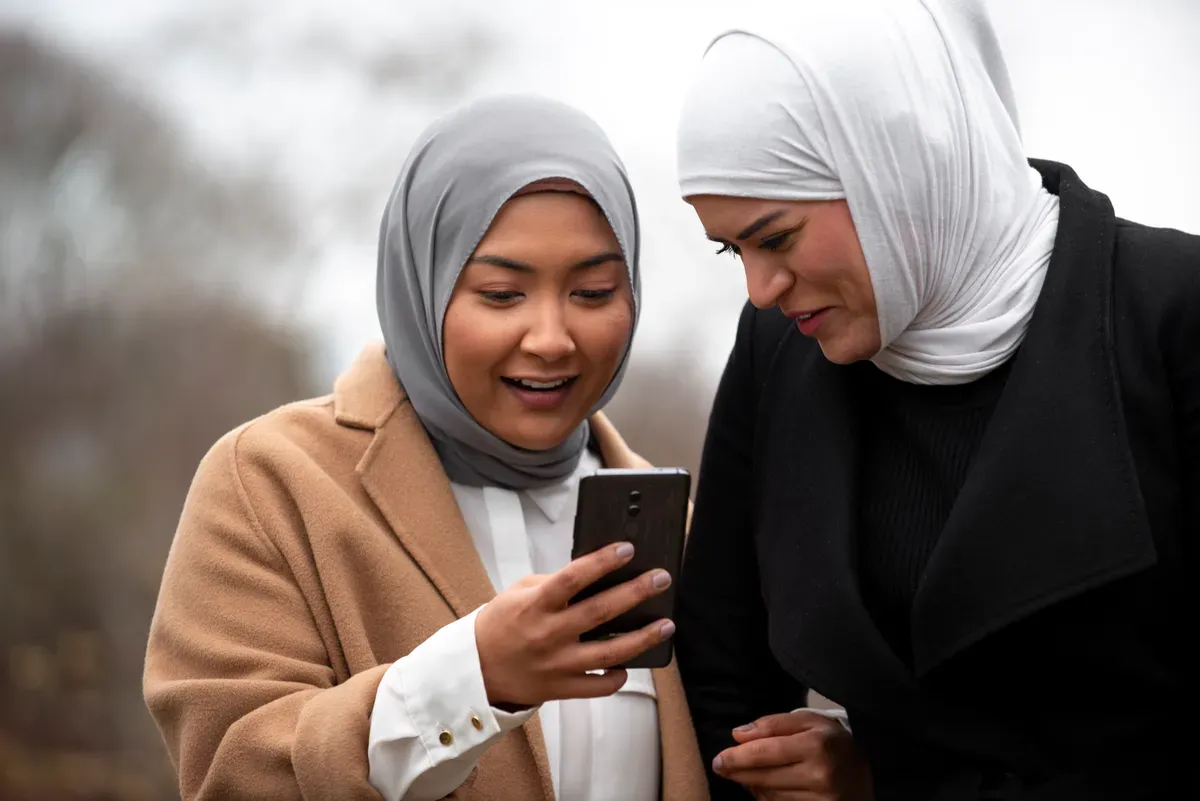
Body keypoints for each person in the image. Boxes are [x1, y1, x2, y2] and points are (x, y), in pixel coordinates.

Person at [671, 1, 1200, 799]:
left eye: (775, 237)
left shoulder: (1176, 314)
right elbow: (723, 677)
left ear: (897, 161)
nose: (760, 287)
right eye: (730, 247)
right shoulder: (780, 353)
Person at [143, 95, 710, 801]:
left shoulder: (675, 528)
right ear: (423, 286)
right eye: (502, 294)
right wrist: (472, 679)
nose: (551, 337)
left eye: (593, 292)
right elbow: (232, 771)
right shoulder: (270, 486)